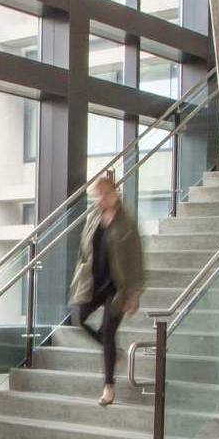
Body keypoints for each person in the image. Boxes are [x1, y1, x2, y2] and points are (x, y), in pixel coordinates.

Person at [70, 173, 146, 406]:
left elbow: (136, 259)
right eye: (96, 196)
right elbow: (84, 250)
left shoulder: (127, 221)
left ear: (114, 193)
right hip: (94, 283)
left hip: (118, 287)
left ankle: (109, 386)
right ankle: (113, 351)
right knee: (78, 318)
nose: (99, 200)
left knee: (108, 333)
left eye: (103, 195)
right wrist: (80, 275)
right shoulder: (94, 218)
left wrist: (135, 294)